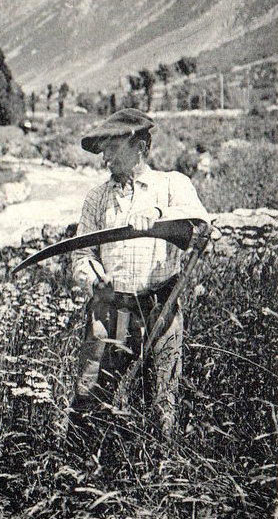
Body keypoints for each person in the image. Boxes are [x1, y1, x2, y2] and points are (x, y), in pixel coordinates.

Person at [71, 109, 209, 438]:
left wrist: (159, 215)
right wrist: (94, 278)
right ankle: (83, 472)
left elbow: (201, 225)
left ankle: (158, 474)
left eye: (112, 148)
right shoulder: (97, 198)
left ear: (140, 147)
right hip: (112, 308)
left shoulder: (172, 185)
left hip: (161, 308)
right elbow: (82, 254)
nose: (104, 157)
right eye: (102, 149)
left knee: (163, 401)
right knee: (92, 396)